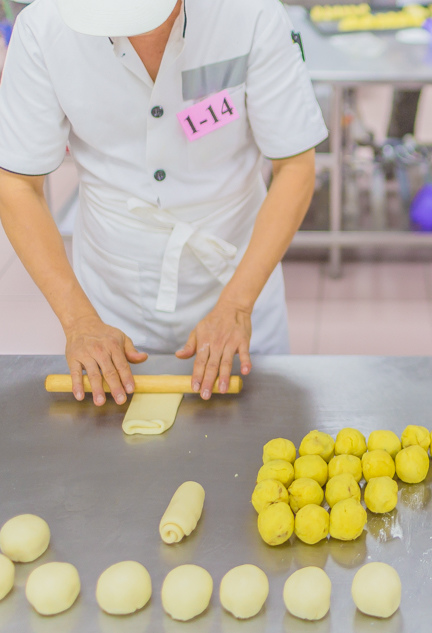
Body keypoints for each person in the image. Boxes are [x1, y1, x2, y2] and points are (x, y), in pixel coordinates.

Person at [0, 0, 327, 406]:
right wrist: (79, 319)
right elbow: (16, 183)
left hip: (239, 278)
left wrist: (237, 305)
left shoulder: (250, 14)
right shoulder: (44, 28)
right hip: (111, 299)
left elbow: (295, 166)